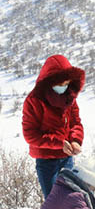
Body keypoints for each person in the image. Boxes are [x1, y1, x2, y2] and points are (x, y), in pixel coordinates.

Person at [22, 55, 85, 199]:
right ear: (49, 81)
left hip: (67, 157)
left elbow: (75, 123)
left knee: (70, 200)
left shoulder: (70, 98)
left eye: (66, 83)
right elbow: (30, 135)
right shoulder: (34, 101)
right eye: (59, 83)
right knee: (53, 202)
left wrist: (76, 140)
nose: (63, 87)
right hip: (46, 160)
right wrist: (58, 143)